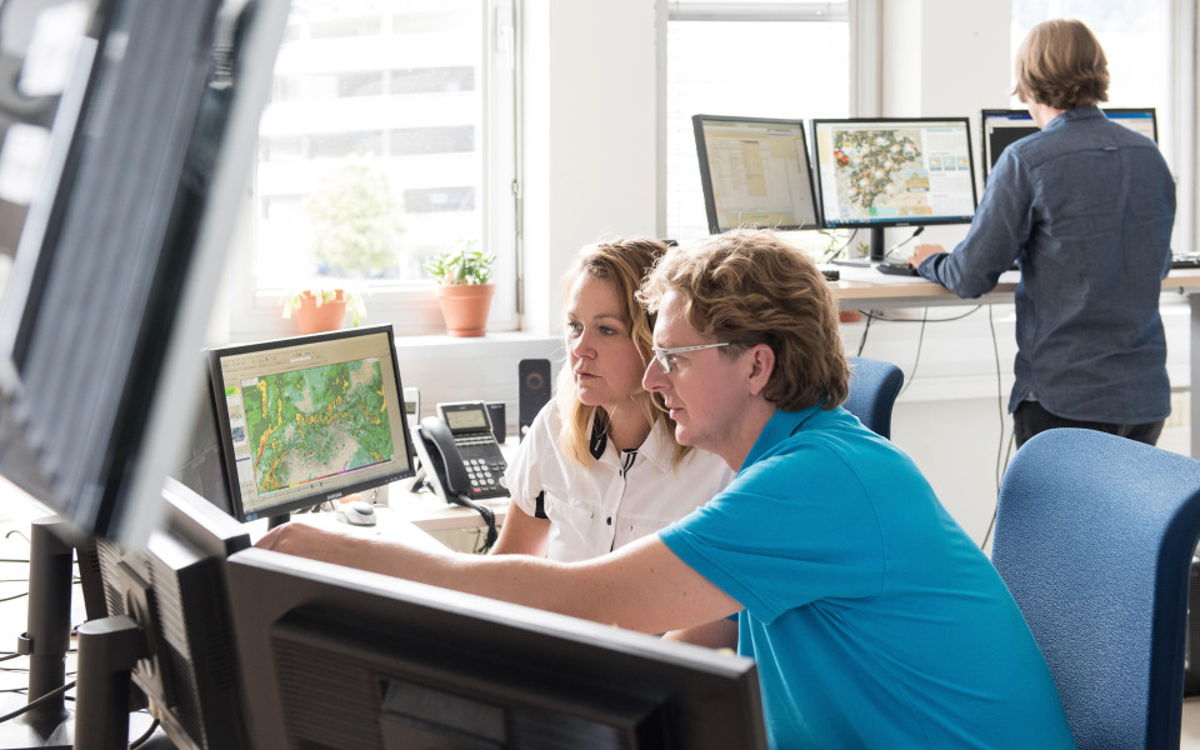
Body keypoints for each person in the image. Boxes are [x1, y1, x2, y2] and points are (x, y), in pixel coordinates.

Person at [260, 230, 1075, 749]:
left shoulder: (816, 482)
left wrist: (352, 556)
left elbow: (587, 598)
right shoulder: (792, 462)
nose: (652, 376)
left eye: (675, 356)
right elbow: (704, 640)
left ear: (757, 365)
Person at [908, 18, 1175, 448]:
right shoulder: (1149, 156)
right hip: (1144, 399)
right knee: (1121, 519)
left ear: (1028, 81)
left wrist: (930, 261)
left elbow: (971, 276)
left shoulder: (1026, 159)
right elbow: (1154, 263)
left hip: (1065, 400)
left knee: (1054, 519)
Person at [491, 239, 732, 560]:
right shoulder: (554, 424)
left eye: (606, 330)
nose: (579, 348)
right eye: (575, 326)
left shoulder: (716, 458)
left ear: (657, 339)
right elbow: (509, 568)